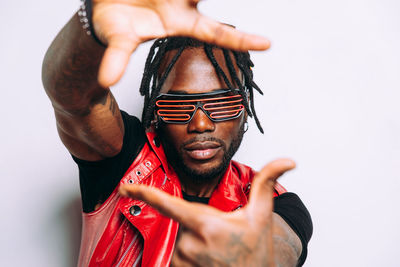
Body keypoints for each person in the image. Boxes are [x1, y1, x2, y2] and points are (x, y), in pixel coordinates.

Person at [42, 0, 312, 266]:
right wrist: (92, 22)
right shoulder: (124, 163)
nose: (201, 124)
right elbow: (74, 98)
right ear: (156, 114)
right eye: (176, 105)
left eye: (221, 103)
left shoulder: (270, 200)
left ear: (245, 109)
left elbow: (281, 242)